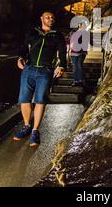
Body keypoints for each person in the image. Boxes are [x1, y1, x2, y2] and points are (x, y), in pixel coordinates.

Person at [13, 10, 67, 146]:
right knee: (24, 99)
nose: (50, 19)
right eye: (47, 17)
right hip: (29, 69)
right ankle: (26, 126)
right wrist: (20, 58)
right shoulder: (33, 32)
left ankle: (35, 131)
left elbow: (62, 52)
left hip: (45, 70)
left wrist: (62, 66)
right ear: (41, 18)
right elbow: (24, 47)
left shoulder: (57, 35)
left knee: (40, 100)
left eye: (52, 17)